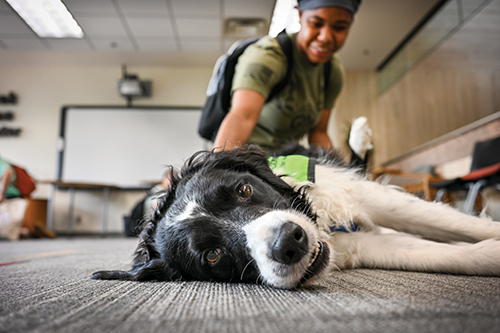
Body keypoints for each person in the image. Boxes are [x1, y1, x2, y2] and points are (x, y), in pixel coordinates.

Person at [213, 0, 363, 154]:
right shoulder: (268, 57)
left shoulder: (332, 70)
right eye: (316, 23)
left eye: (339, 27)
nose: (325, 37)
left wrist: (338, 172)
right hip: (246, 156)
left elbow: (319, 132)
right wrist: (219, 168)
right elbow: (242, 117)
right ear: (300, 15)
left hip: (285, 160)